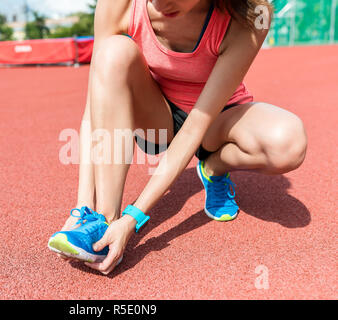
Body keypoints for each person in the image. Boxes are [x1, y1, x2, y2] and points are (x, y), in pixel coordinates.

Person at [48, 0, 307, 275]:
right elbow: (95, 107)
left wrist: (132, 219)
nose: (160, 4)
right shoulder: (118, 3)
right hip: (156, 116)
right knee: (112, 52)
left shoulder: (253, 13)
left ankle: (213, 168)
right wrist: (83, 205)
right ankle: (102, 221)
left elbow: (196, 126)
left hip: (215, 118)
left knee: (288, 143)